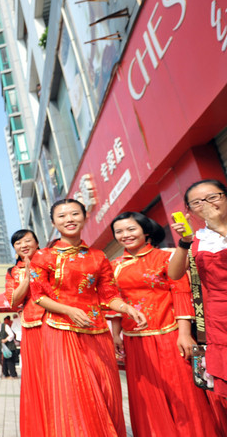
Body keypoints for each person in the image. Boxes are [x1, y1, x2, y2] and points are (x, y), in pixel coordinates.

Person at [30, 198, 147, 437]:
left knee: (108, 390)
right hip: (60, 331)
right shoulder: (43, 256)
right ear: (53, 222)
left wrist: (126, 308)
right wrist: (69, 310)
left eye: (74, 214)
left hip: (98, 332)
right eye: (62, 216)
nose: (69, 219)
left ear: (85, 218)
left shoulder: (98, 256)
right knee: (74, 392)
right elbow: (39, 296)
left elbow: (108, 294)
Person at [109, 211, 219, 436]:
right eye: (118, 232)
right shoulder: (114, 266)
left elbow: (180, 291)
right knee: (147, 398)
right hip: (135, 342)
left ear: (145, 230)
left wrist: (184, 334)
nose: (125, 235)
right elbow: (114, 299)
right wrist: (116, 335)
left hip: (170, 334)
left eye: (131, 229)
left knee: (183, 393)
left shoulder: (166, 257)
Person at [169, 179, 227, 400]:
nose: (206, 204)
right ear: (190, 210)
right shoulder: (198, 239)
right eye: (197, 202)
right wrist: (185, 240)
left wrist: (221, 228)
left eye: (213, 197)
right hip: (218, 318)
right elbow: (174, 273)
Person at [4, 229, 49, 437]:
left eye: (27, 240)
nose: (23, 245)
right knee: (39, 376)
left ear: (38, 242)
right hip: (32, 325)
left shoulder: (52, 261)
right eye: (18, 243)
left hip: (59, 322)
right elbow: (14, 301)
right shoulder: (14, 271)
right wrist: (28, 274)